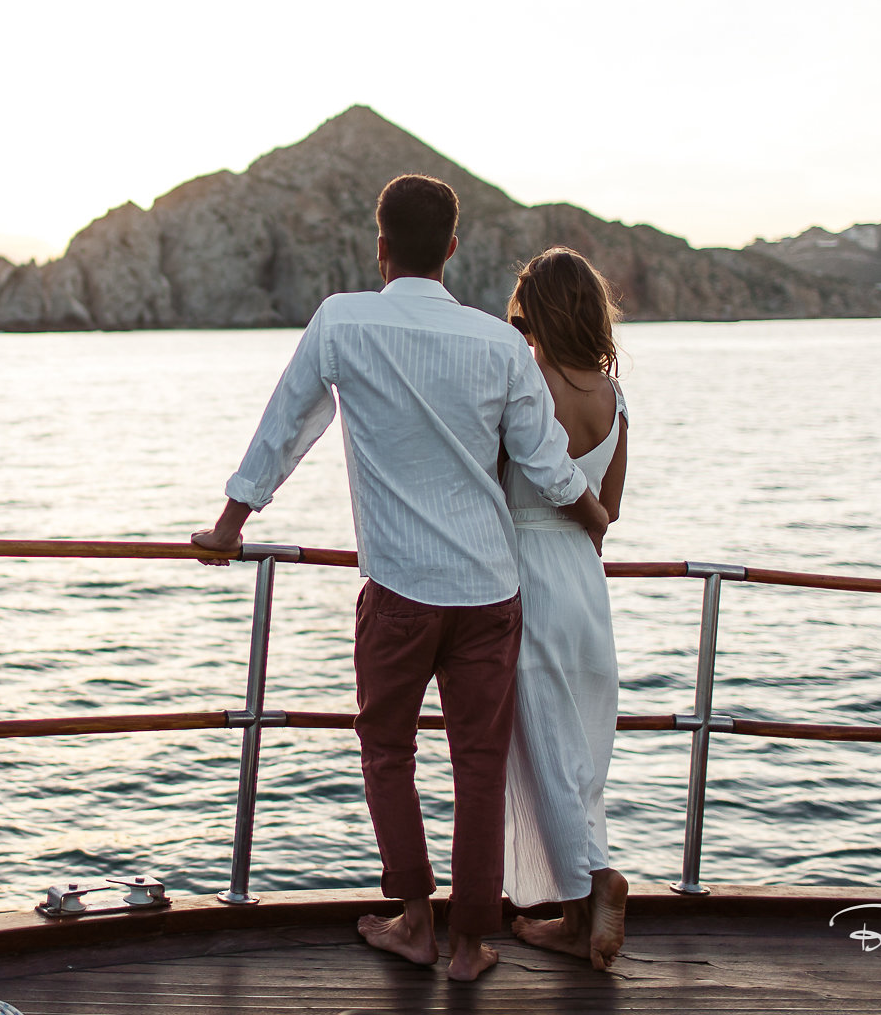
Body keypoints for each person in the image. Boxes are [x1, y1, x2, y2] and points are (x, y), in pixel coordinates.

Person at [191, 175, 610, 981]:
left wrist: (229, 530)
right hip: (491, 592)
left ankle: (415, 921)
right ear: (453, 248)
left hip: (400, 593)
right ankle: (470, 944)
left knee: (387, 751)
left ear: (379, 245)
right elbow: (545, 464)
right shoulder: (499, 343)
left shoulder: (343, 320)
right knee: (479, 765)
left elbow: (285, 427)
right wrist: (593, 518)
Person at [497, 247, 631, 970]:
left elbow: (494, 482)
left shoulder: (527, 384)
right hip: (585, 579)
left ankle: (595, 881)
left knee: (544, 748)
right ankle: (579, 919)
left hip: (525, 572)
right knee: (580, 751)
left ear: (537, 312)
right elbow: (607, 509)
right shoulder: (612, 397)